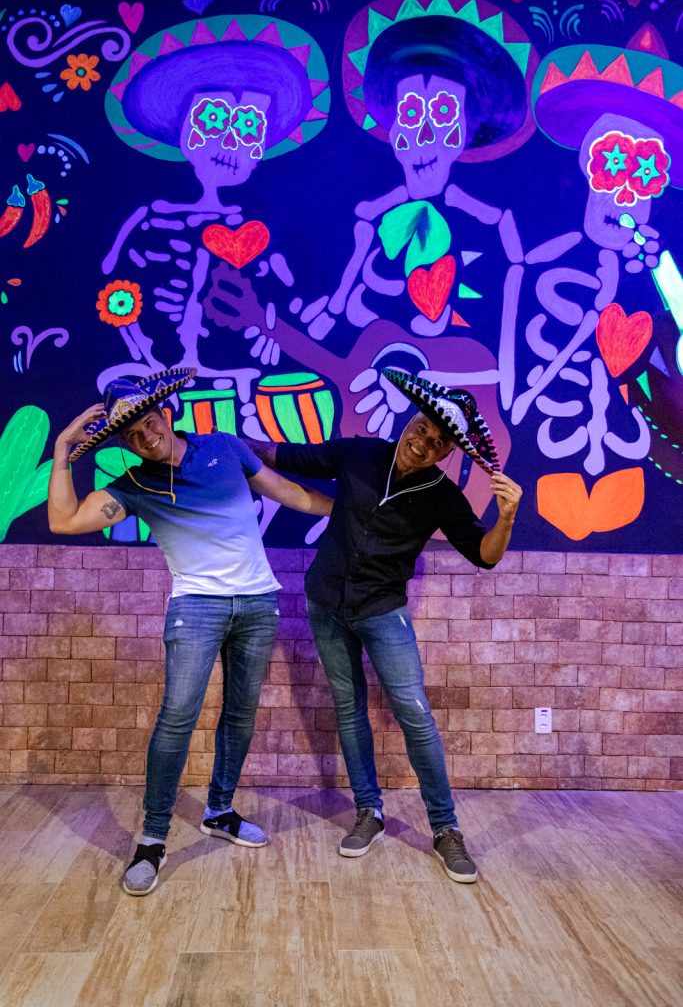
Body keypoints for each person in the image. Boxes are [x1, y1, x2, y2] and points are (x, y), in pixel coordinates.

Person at [47, 367, 333, 896]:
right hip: (196, 608)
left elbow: (289, 493)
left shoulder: (224, 448)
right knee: (177, 718)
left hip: (257, 603)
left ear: (166, 413)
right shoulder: (134, 486)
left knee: (240, 713)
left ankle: (219, 811)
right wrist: (64, 449)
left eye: (148, 422)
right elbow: (63, 521)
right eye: (132, 434)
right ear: (124, 444)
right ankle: (153, 839)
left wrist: (351, 516)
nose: (145, 436)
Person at [246, 368, 522, 883]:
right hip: (325, 603)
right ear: (411, 420)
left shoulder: (442, 495)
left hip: (383, 611)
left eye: (437, 442)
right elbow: (284, 455)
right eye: (422, 428)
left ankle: (445, 829)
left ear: (447, 452)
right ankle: (368, 811)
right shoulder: (360, 454)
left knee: (416, 716)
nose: (423, 442)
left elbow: (484, 555)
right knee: (349, 710)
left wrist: (505, 518)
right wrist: (219, 444)